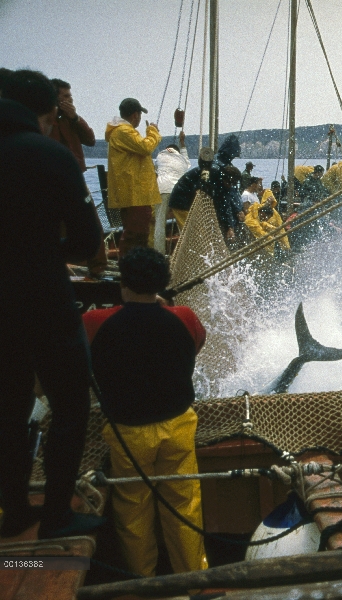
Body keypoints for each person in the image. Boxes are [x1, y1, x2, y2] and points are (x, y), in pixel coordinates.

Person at [0, 69, 105, 539]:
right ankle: (56, 517)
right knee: (69, 403)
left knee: (9, 404)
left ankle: (14, 510)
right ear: (45, 114)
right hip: (40, 296)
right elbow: (86, 240)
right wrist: (47, 253)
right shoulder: (46, 153)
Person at [83, 247, 207, 576]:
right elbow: (196, 343)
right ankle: (194, 580)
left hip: (129, 432)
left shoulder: (93, 322)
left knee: (133, 509)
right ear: (163, 282)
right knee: (185, 504)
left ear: (122, 281)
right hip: (178, 424)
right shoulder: (185, 317)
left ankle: (144, 584)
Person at [49, 78, 107, 277]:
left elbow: (90, 139)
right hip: (54, 180)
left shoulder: (71, 120)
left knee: (91, 221)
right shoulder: (47, 120)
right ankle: (73, 267)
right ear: (54, 99)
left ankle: (98, 268)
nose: (69, 100)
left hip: (77, 177)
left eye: (70, 96)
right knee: (62, 226)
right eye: (65, 96)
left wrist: (75, 118)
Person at [105, 98, 161, 257]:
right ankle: (130, 268)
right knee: (136, 234)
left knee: (138, 232)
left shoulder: (123, 131)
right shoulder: (123, 131)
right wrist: (153, 131)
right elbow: (146, 147)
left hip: (135, 194)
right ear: (136, 115)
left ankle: (134, 265)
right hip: (135, 194)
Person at [155, 131, 190, 253]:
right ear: (177, 152)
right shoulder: (182, 160)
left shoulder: (160, 156)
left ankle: (158, 252)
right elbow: (185, 157)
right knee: (183, 224)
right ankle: (187, 251)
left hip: (162, 189)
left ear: (167, 149)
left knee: (159, 223)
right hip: (178, 191)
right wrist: (182, 141)